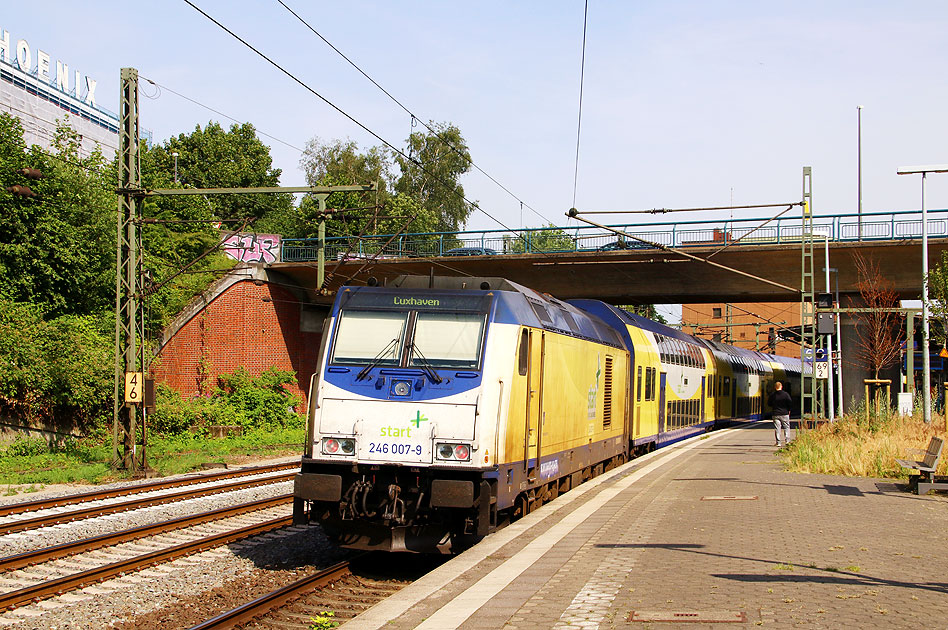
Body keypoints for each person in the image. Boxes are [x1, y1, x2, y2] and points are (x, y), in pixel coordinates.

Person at [768, 381, 792, 447]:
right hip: (784, 413)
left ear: (775, 387)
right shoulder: (786, 394)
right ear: (781, 387)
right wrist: (789, 410)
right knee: (786, 427)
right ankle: (787, 441)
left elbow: (769, 404)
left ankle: (778, 442)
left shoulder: (772, 395)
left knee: (777, 428)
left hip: (775, 414)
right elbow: (790, 403)